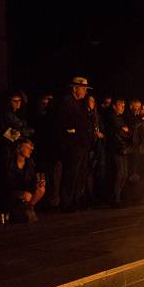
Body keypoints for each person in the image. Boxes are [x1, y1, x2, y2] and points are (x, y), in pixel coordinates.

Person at [56, 77, 91, 212]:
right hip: (72, 144)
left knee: (80, 174)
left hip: (82, 144)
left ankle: (76, 200)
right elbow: (63, 123)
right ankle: (66, 202)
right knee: (70, 173)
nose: (85, 92)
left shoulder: (80, 104)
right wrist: (70, 136)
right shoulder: (66, 102)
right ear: (75, 88)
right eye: (83, 88)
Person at [3, 139, 45, 223]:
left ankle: (28, 209)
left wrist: (38, 183)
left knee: (41, 189)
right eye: (27, 147)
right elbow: (7, 182)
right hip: (10, 191)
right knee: (26, 195)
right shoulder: (9, 162)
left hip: (25, 189)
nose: (31, 149)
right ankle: (23, 213)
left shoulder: (29, 162)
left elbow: (32, 178)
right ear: (19, 148)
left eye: (31, 147)